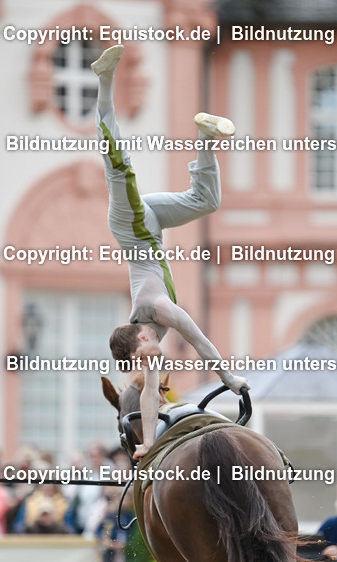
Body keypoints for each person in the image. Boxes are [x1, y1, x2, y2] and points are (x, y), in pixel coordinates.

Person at [94, 44, 248, 459]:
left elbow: (195, 335)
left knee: (118, 167)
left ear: (139, 340)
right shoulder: (150, 334)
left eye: (144, 357)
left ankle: (103, 80)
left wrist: (228, 377)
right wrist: (146, 443)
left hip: (132, 226)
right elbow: (147, 399)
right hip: (155, 225)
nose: (153, 359)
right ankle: (206, 136)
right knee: (206, 201)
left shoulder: (154, 307)